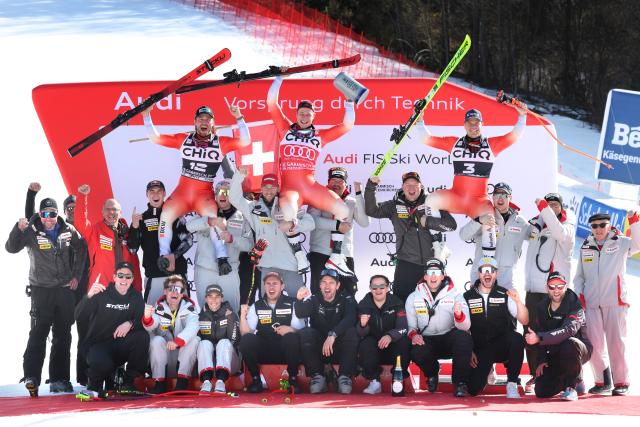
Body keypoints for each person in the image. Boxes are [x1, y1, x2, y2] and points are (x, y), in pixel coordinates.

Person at [142, 104, 250, 275]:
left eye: (208, 119)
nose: (204, 122)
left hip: (203, 194)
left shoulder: (220, 142)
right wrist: (147, 116)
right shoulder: (184, 139)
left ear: (213, 124)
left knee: (214, 218)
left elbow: (245, 141)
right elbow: (155, 138)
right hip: (182, 193)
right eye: (201, 119)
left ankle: (222, 258)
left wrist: (239, 118)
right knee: (166, 215)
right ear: (195, 122)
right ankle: (163, 255)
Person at [267, 74, 355, 274]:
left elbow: (347, 126)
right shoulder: (285, 129)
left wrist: (349, 101)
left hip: (311, 186)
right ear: (296, 115)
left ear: (313, 117)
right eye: (301, 114)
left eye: (308, 114)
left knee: (343, 211)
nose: (304, 117)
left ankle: (336, 257)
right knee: (288, 214)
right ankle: (299, 256)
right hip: (292, 189)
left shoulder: (319, 136)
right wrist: (280, 78)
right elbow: (271, 103)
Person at [415, 105, 528, 260]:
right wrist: (420, 122)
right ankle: (439, 247)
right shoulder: (455, 143)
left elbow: (514, 136)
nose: (473, 126)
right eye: (470, 122)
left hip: (478, 201)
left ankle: (488, 264)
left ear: (482, 124)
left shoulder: (491, 145)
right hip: (457, 197)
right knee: (431, 200)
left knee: (489, 219)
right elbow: (426, 139)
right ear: (464, 125)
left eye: (477, 123)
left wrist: (522, 117)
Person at [6, 197, 87, 396]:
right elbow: (11, 248)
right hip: (41, 290)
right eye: (44, 214)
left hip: (64, 290)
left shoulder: (68, 229)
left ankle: (59, 379)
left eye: (52, 214)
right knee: (38, 333)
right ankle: (31, 377)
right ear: (40, 215)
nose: (49, 218)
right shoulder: (31, 231)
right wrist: (18, 228)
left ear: (57, 213)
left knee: (63, 335)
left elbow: (81, 247)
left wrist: (76, 276)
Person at [23, 183, 92, 385]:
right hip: (54, 288)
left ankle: (83, 378)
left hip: (79, 287)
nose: (72, 211)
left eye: (75, 208)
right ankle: (37, 377)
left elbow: (84, 250)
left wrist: (78, 277)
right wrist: (31, 195)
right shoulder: (51, 224)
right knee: (42, 331)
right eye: (69, 208)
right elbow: (31, 221)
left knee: (76, 334)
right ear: (63, 211)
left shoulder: (83, 226)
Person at [574, 210, 640, 396]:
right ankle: (602, 380)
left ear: (609, 225)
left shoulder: (620, 242)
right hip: (591, 303)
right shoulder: (586, 246)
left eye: (602, 225)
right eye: (594, 226)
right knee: (593, 344)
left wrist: (634, 222)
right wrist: (579, 295)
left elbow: (638, 244)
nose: (598, 229)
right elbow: (579, 276)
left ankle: (621, 381)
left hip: (615, 301)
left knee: (616, 343)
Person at [364, 171, 457, 303]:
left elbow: (451, 225)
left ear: (421, 187)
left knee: (433, 303)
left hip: (431, 265)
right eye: (408, 185)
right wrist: (371, 187)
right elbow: (371, 210)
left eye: (415, 185)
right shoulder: (394, 206)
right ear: (402, 187)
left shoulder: (432, 203)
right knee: (401, 302)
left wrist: (429, 222)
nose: (411, 188)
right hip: (406, 263)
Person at [230, 168, 315, 295]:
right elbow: (234, 198)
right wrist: (239, 175)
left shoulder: (288, 205)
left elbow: (311, 223)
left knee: (298, 306)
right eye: (265, 187)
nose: (269, 191)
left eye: (272, 187)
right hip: (268, 266)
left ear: (278, 188)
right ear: (261, 188)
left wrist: (293, 224)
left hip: (290, 265)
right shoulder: (253, 208)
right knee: (268, 310)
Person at [522, 193, 576, 392]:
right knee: (531, 335)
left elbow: (560, 233)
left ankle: (567, 377)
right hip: (534, 290)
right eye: (548, 204)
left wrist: (543, 209)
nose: (550, 208)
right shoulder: (537, 225)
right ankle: (536, 374)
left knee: (557, 335)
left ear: (561, 208)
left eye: (555, 205)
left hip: (554, 292)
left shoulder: (566, 226)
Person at [74, 262, 149, 396]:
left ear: (132, 279)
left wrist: (130, 323)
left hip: (119, 346)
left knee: (142, 337)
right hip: (97, 345)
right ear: (114, 277)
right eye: (120, 275)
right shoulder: (101, 293)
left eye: (128, 277)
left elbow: (142, 322)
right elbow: (78, 316)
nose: (124, 280)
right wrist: (89, 296)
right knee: (103, 364)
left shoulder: (136, 297)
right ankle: (94, 384)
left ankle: (129, 382)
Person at [405, 258, 473, 397]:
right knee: (416, 349)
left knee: (464, 337)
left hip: (448, 338)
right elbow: (411, 327)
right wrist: (414, 335)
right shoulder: (413, 297)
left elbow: (466, 326)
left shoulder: (455, 295)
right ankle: (432, 373)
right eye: (430, 272)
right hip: (428, 340)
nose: (433, 276)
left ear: (443, 275)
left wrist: (459, 315)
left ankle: (460, 383)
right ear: (425, 276)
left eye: (437, 272)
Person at [462, 257, 528, 398]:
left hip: (500, 345)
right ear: (479, 273)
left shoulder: (505, 294)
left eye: (491, 270)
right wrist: (469, 350)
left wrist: (518, 302)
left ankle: (511, 383)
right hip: (480, 349)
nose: (488, 273)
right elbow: (462, 328)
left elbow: (525, 319)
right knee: (473, 390)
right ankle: (485, 373)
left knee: (516, 338)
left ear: (496, 274)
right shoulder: (467, 296)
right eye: (484, 270)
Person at [187, 179, 253, 311]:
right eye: (219, 192)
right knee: (205, 311)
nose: (223, 195)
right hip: (205, 269)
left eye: (227, 192)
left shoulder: (242, 216)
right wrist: (209, 221)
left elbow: (250, 245)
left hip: (229, 271)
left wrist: (232, 239)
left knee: (231, 311)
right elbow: (189, 226)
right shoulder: (205, 211)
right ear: (215, 195)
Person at [525, 272, 592, 401]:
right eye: (552, 287)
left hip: (578, 350)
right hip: (555, 351)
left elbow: (568, 330)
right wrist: (542, 360)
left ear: (565, 287)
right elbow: (539, 331)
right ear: (546, 288)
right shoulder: (541, 307)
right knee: (541, 391)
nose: (556, 290)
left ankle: (572, 386)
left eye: (560, 286)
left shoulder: (575, 304)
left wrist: (539, 337)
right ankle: (572, 381)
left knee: (569, 343)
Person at [238, 272, 305, 394]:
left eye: (275, 283)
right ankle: (256, 380)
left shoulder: (293, 303)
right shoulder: (257, 305)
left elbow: (302, 329)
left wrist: (290, 329)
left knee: (291, 338)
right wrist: (242, 316)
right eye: (268, 284)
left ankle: (293, 380)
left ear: (282, 286)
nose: (271, 287)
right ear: (264, 286)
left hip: (285, 350)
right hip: (265, 350)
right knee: (246, 340)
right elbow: (245, 333)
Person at [129, 180, 193, 305]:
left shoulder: (176, 215)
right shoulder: (141, 219)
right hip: (153, 276)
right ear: (147, 194)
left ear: (164, 194)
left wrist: (173, 256)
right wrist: (135, 227)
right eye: (152, 191)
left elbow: (188, 240)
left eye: (159, 191)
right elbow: (132, 249)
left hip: (177, 275)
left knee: (183, 317)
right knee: (152, 318)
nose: (155, 194)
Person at [295, 269, 358, 394]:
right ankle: (317, 376)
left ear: (338, 285)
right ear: (320, 285)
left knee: (351, 332)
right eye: (324, 282)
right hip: (320, 348)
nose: (327, 286)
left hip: (340, 347)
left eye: (331, 283)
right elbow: (301, 312)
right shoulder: (314, 298)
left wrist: (333, 334)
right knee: (306, 333)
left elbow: (351, 318)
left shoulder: (347, 298)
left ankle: (344, 376)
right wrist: (299, 300)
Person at [308, 167, 368, 294]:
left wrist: (359, 195)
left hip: (344, 255)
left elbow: (365, 222)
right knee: (319, 295)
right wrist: (336, 225)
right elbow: (312, 221)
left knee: (348, 294)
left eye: (340, 181)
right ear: (328, 182)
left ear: (345, 184)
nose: (336, 184)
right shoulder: (318, 198)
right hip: (320, 254)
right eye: (333, 180)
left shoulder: (351, 202)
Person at [459, 182, 529, 289]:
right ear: (493, 197)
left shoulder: (520, 222)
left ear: (510, 197)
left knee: (509, 305)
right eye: (496, 194)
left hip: (506, 279)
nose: (500, 198)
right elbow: (463, 235)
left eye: (504, 195)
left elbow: (536, 238)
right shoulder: (484, 215)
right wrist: (479, 220)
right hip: (482, 276)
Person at [75, 184, 142, 291]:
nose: (111, 212)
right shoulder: (95, 231)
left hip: (126, 291)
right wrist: (82, 197)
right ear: (102, 212)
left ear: (120, 213)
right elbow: (80, 222)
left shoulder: (129, 233)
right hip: (101, 290)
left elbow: (134, 261)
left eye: (115, 209)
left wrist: (137, 289)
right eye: (108, 209)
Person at [142, 275, 200, 394]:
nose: (175, 292)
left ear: (183, 293)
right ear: (165, 291)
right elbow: (151, 325)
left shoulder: (190, 308)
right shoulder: (158, 308)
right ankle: (159, 383)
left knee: (194, 339)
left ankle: (182, 383)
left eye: (178, 289)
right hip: (165, 362)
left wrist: (177, 341)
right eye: (171, 288)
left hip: (184, 362)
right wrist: (147, 317)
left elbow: (193, 326)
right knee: (156, 340)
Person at [357, 274, 410, 394]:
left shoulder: (397, 303)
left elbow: (403, 327)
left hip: (393, 348)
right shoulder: (363, 304)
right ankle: (374, 381)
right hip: (374, 350)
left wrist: (390, 336)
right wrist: (363, 325)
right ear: (370, 289)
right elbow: (360, 333)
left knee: (404, 341)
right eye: (374, 287)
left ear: (387, 288)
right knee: (365, 343)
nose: (378, 290)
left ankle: (397, 381)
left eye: (382, 287)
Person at [197, 284, 241, 393]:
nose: (214, 300)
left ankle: (221, 381)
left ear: (222, 298)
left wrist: (230, 319)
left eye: (217, 296)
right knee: (204, 343)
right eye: (210, 296)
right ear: (206, 298)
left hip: (229, 362)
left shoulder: (230, 314)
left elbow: (234, 341)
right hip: (209, 364)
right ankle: (206, 381)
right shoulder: (199, 317)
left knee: (224, 342)